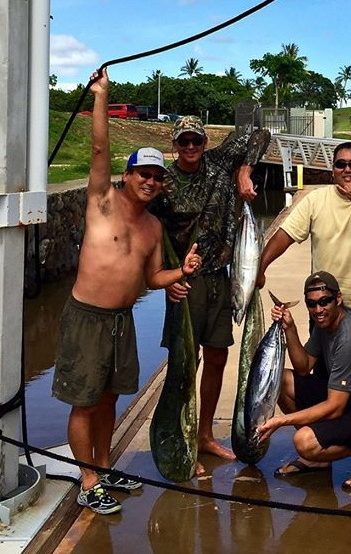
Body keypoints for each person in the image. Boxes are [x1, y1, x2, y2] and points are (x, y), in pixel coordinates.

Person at [52, 67, 202, 515]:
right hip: (86, 317)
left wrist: (182, 272)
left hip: (122, 320)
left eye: (157, 176)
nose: (151, 181)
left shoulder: (154, 226)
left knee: (110, 397)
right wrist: (102, 95)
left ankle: (104, 464)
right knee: (84, 400)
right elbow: (100, 148)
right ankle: (89, 479)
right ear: (127, 174)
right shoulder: (103, 201)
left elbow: (152, 279)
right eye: (143, 174)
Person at [256, 140, 351, 477]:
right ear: (332, 169)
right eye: (341, 164)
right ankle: (317, 452)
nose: (347, 170)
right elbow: (286, 235)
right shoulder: (317, 200)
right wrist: (260, 266)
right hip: (325, 312)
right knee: (321, 381)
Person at [152, 116, 270, 465]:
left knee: (218, 356)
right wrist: (165, 276)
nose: (191, 147)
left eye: (196, 141)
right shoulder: (164, 182)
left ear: (205, 142)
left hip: (222, 275)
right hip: (186, 283)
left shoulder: (219, 162)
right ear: (175, 144)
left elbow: (259, 132)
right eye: (184, 141)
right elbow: (149, 231)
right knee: (185, 360)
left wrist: (245, 170)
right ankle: (181, 433)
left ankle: (204, 435)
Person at [257, 271, 351, 491]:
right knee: (282, 380)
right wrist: (290, 329)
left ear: (338, 299)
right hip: (348, 400)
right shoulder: (326, 324)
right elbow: (303, 367)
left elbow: (334, 408)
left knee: (303, 442)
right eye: (312, 304)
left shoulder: (349, 338)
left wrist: (280, 422)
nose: (318, 310)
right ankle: (319, 457)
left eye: (325, 301)